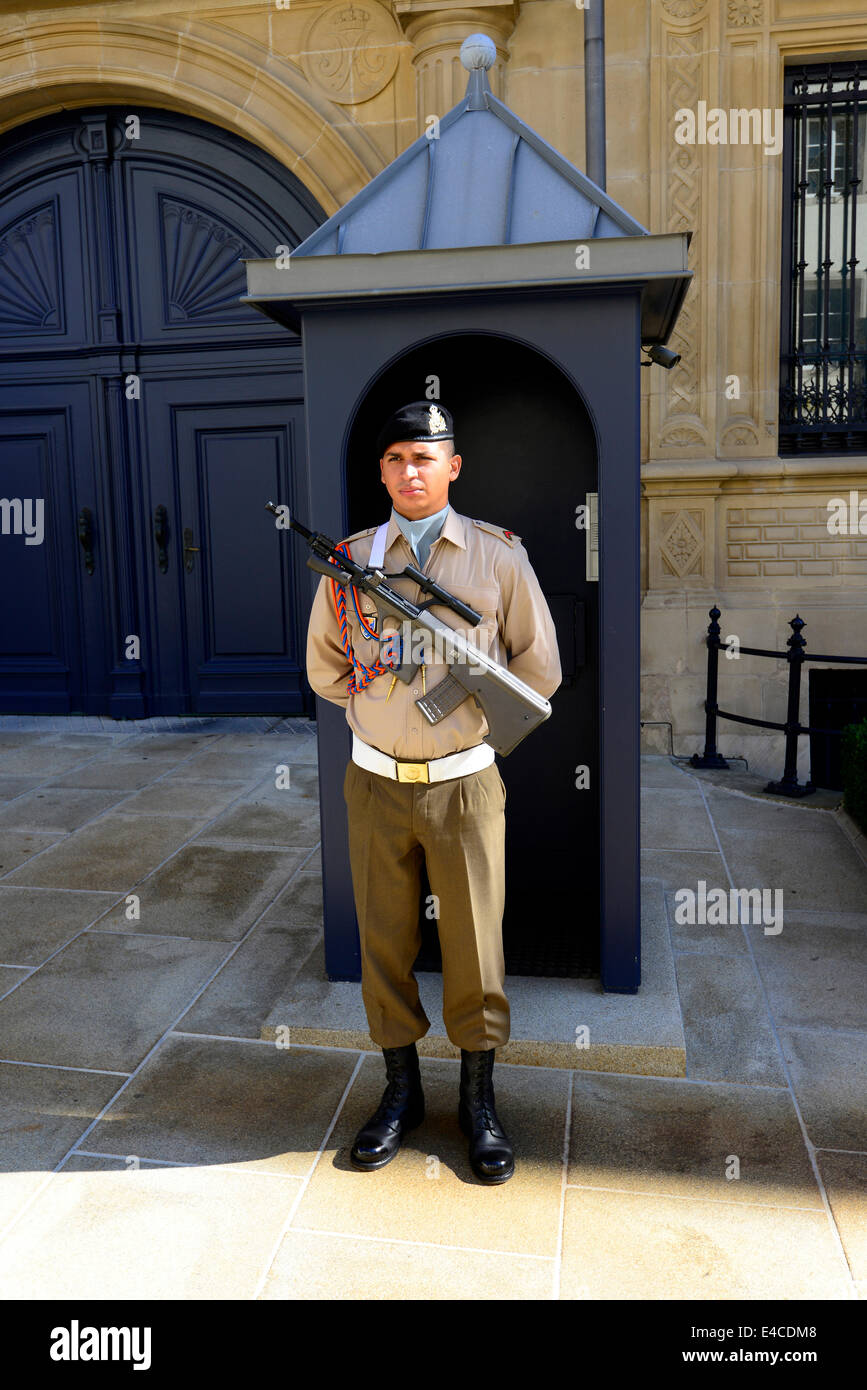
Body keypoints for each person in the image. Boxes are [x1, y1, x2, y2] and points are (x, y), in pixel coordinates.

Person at [305, 401, 561, 1183]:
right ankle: (399, 1094)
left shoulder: (496, 557)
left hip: (462, 786)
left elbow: (537, 666)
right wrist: (383, 705)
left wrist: (449, 703)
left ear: (452, 466)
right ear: (381, 472)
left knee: (474, 948)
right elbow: (324, 666)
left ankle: (477, 1103)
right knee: (382, 942)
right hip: (375, 782)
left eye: (424, 457)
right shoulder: (350, 561)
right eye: (394, 459)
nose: (408, 472)